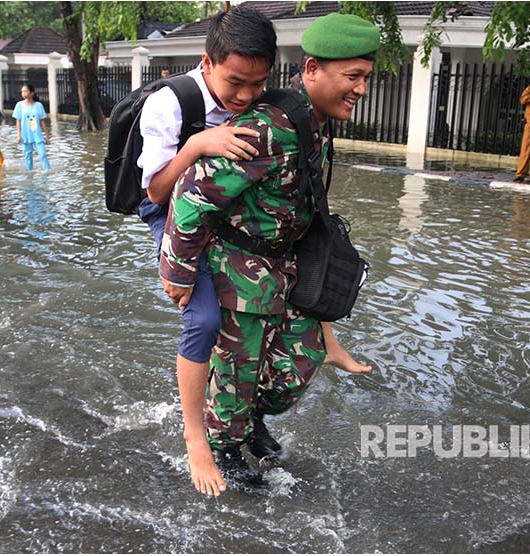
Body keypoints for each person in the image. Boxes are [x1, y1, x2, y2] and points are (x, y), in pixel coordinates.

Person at [139, 7, 370, 499]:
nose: (361, 88)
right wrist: (178, 272)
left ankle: (246, 420)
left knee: (299, 363)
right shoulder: (264, 130)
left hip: (283, 268)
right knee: (226, 357)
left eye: (365, 77)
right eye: (353, 77)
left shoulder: (310, 122)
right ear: (312, 70)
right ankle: (217, 444)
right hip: (237, 270)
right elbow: (186, 198)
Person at [12, 82, 50, 171]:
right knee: (28, 156)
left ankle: (47, 172)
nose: (23, 93)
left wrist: (47, 136)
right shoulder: (19, 105)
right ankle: (29, 174)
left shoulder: (38, 105)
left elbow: (42, 122)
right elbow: (18, 121)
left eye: (25, 91)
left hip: (37, 134)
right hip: (25, 135)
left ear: (32, 93)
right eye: (22, 92)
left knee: (43, 154)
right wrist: (18, 135)